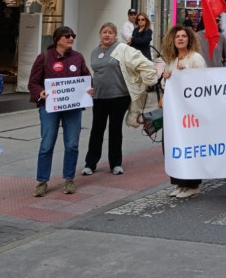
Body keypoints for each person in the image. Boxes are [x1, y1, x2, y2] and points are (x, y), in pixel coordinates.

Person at [83, 22, 157, 178]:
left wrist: (147, 80)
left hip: (118, 97)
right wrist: (91, 87)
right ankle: (90, 164)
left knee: (115, 130)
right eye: (104, 32)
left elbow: (143, 63)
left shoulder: (122, 49)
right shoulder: (95, 51)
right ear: (100, 34)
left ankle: (115, 164)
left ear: (115, 35)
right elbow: (96, 73)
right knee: (97, 130)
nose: (107, 35)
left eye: (110, 32)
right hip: (99, 97)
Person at [28, 26, 93, 197]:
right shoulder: (44, 57)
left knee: (72, 144)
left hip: (73, 109)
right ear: (57, 39)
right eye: (67, 36)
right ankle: (42, 181)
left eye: (73, 35)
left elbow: (87, 79)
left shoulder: (78, 57)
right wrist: (40, 92)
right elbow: (33, 83)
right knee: (47, 144)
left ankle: (69, 179)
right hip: (49, 108)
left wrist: (90, 89)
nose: (71, 38)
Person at [161, 25, 208, 198]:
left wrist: (186, 73)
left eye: (183, 36)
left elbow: (203, 81)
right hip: (174, 112)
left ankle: (192, 184)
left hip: (190, 112)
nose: (180, 39)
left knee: (190, 146)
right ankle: (179, 183)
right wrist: (166, 77)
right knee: (172, 144)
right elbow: (166, 85)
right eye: (177, 36)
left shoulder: (196, 58)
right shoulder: (172, 60)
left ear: (189, 39)